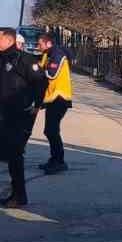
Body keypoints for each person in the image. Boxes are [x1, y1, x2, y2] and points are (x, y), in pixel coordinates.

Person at [0, 26, 45, 208]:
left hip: (22, 114)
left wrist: (36, 107)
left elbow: (41, 83)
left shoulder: (25, 60)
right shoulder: (0, 59)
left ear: (10, 40)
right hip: (5, 112)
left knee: (16, 154)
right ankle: (17, 192)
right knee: (10, 154)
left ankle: (19, 195)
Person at [35, 29, 73, 174]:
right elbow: (40, 66)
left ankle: (59, 161)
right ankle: (54, 159)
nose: (38, 47)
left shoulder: (57, 54)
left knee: (52, 130)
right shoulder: (47, 54)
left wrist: (36, 70)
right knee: (49, 130)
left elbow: (51, 74)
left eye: (40, 44)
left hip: (60, 97)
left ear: (48, 43)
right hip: (51, 98)